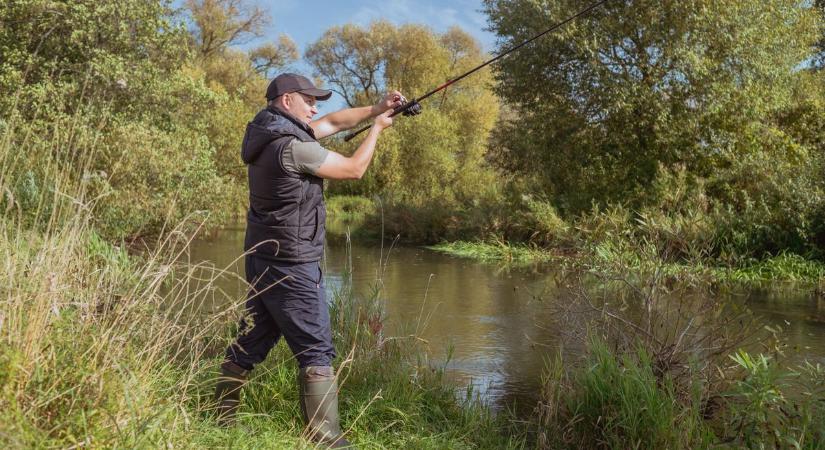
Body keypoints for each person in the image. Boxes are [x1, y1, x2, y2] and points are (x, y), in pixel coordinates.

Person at [214, 73, 420, 448]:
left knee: (253, 338)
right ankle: (326, 438)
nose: (314, 107)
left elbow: (334, 122)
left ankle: (219, 417)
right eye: (308, 100)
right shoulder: (294, 148)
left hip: (264, 257)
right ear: (287, 100)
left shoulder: (268, 134)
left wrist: (378, 108)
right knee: (316, 349)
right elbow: (354, 169)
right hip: (293, 263)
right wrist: (377, 129)